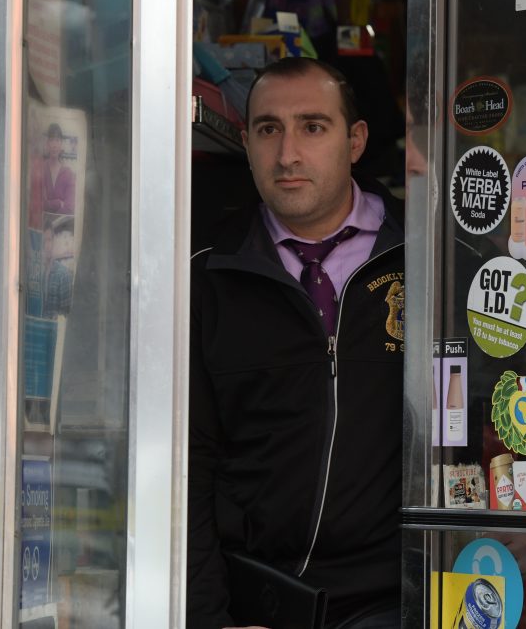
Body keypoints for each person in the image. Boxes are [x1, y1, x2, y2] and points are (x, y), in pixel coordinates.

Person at [188, 57, 405, 629]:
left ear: (355, 140)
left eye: (313, 127)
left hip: (395, 598)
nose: (287, 154)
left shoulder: (424, 258)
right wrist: (210, 619)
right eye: (268, 129)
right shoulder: (208, 275)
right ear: (246, 140)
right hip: (257, 599)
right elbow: (187, 468)